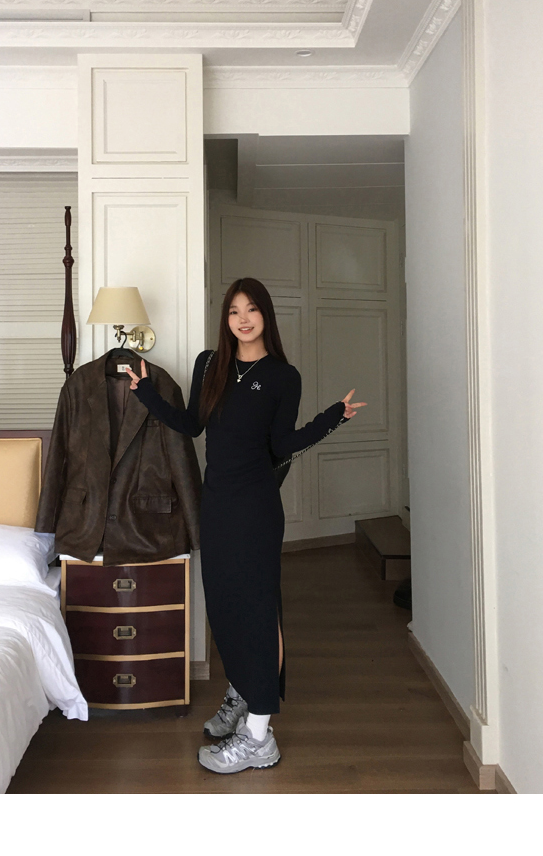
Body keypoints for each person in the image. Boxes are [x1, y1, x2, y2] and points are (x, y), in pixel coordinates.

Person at [126, 276, 365, 774]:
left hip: (256, 508)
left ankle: (259, 734)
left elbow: (282, 445)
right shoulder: (209, 364)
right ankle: (241, 690)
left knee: (258, 611)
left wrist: (333, 417)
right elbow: (191, 424)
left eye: (252, 309)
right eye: (234, 310)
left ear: (265, 316)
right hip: (216, 505)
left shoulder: (283, 376)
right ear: (226, 319)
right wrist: (146, 392)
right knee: (225, 606)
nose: (243, 319)